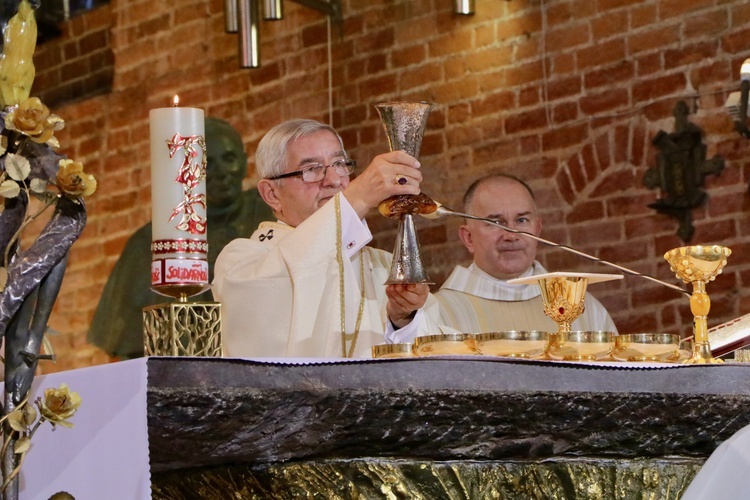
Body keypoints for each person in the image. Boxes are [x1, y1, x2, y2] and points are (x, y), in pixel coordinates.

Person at [212, 119, 437, 358]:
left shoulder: (385, 266)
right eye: (311, 169)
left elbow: (436, 355)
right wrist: (358, 197)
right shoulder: (241, 262)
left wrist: (402, 320)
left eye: (339, 164)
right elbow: (285, 283)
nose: (334, 180)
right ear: (272, 194)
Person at [87, 118, 275, 359]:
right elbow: (126, 347)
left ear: (244, 159)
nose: (220, 173)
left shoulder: (271, 214)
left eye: (228, 159)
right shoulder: (149, 242)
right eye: (207, 164)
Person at [432, 174, 617, 334]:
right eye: (495, 222)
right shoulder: (437, 314)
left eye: (521, 220)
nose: (511, 235)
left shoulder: (582, 308)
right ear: (469, 238)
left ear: (537, 229)